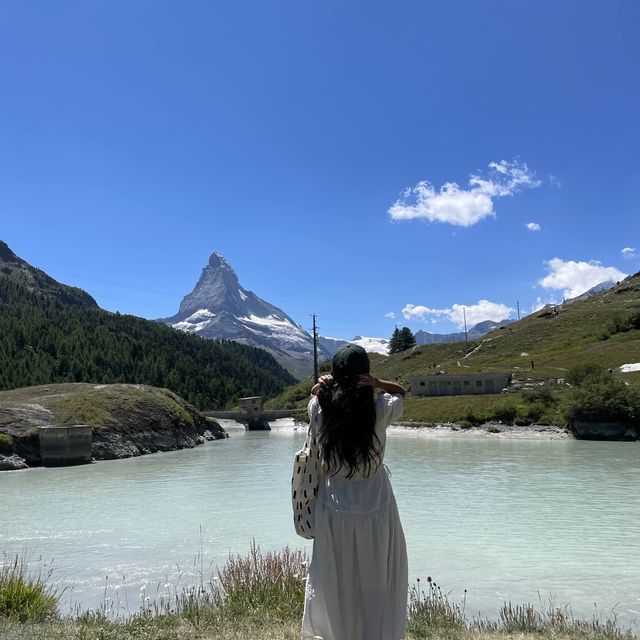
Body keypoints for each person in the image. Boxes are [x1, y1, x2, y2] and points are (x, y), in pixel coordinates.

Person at [302, 344, 408, 640]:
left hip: (333, 507)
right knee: (376, 578)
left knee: (335, 579)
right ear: (366, 377)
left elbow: (313, 395)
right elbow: (401, 392)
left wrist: (323, 385)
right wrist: (379, 383)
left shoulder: (321, 410)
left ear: (335, 377)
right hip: (375, 504)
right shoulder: (381, 411)